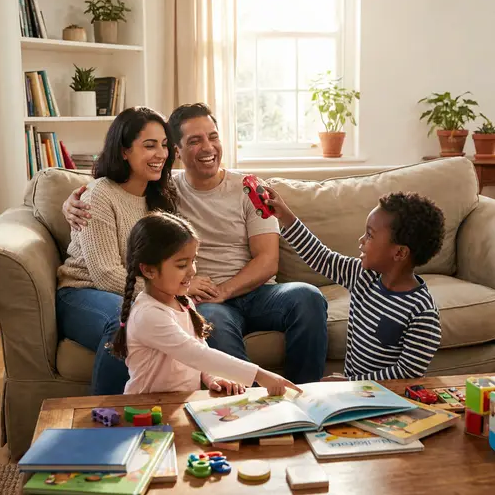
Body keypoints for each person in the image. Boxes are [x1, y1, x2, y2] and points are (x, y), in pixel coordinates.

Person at [63, 103, 329, 385]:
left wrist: (217, 290)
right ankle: (249, 408)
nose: (208, 148)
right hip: (173, 296)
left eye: (213, 137)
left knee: (308, 296)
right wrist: (68, 205)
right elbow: (104, 262)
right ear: (178, 152)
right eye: (194, 141)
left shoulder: (166, 193)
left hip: (252, 293)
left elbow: (267, 259)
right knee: (144, 318)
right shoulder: (161, 191)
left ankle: (305, 396)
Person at [111, 211, 303, 397]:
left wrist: (213, 378)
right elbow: (196, 354)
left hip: (179, 403)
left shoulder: (183, 301)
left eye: (193, 261)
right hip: (145, 409)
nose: (192, 271)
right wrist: (260, 375)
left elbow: (199, 348)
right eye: (181, 265)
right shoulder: (149, 314)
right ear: (149, 270)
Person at [264, 187, 445, 381]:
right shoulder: (363, 276)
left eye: (370, 235)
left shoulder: (422, 312)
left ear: (399, 253)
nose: (361, 240)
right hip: (355, 393)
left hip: (391, 401)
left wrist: (351, 384)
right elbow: (321, 257)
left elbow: (407, 373)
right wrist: (286, 217)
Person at [56, 106, 178, 395]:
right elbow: (106, 275)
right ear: (124, 151)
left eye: (163, 145)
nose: (160, 153)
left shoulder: (160, 196)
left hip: (135, 294)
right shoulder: (99, 194)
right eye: (149, 145)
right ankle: (106, 425)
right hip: (81, 293)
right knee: (123, 321)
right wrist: (167, 296)